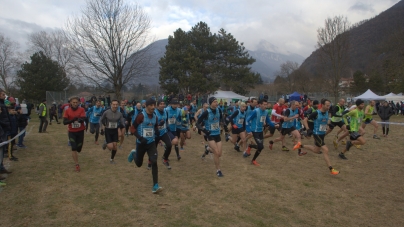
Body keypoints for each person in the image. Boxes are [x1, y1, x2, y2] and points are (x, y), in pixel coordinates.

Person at [128, 98, 163, 194]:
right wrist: (139, 138)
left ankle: (155, 185)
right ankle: (133, 153)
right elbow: (132, 128)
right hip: (141, 143)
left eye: (154, 105)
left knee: (154, 161)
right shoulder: (141, 116)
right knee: (139, 164)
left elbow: (155, 126)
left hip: (151, 143)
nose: (153, 107)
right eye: (151, 105)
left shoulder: (155, 116)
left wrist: (156, 130)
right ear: (146, 106)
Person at [301, 99, 339, 175]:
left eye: (329, 105)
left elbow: (324, 121)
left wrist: (329, 124)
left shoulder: (327, 112)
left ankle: (300, 145)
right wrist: (308, 129)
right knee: (325, 150)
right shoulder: (316, 113)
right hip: (316, 133)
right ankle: (331, 169)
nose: (329, 107)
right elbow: (305, 120)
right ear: (322, 105)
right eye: (327, 105)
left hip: (322, 134)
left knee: (316, 150)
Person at [196, 97, 228, 177]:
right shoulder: (206, 112)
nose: (216, 103)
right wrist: (204, 130)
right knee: (216, 152)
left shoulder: (219, 110)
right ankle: (218, 170)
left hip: (217, 134)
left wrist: (224, 124)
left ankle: (207, 148)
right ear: (211, 103)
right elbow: (197, 123)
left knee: (219, 154)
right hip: (210, 135)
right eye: (214, 102)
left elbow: (222, 118)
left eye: (217, 101)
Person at [244, 99, 276, 166]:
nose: (265, 106)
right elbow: (247, 120)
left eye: (266, 104)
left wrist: (273, 125)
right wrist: (248, 129)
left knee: (261, 147)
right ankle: (253, 160)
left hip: (260, 131)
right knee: (260, 146)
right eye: (264, 104)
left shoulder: (266, 112)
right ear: (260, 105)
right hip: (254, 130)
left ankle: (250, 146)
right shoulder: (255, 111)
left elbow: (268, 120)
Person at [63, 97, 87, 172]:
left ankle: (78, 149)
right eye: (73, 102)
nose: (75, 104)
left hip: (80, 131)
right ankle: (77, 164)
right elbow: (64, 122)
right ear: (70, 103)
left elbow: (83, 118)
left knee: (78, 148)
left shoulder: (81, 109)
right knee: (73, 148)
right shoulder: (67, 111)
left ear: (79, 103)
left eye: (76, 102)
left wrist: (79, 120)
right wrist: (72, 120)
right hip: (72, 132)